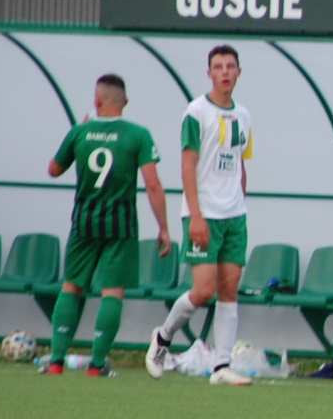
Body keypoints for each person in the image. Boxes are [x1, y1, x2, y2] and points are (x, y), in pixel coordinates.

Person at [45, 74, 171, 377]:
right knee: (112, 292)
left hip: (83, 222)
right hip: (120, 225)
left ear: (96, 101)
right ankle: (97, 364)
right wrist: (163, 228)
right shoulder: (138, 135)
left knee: (72, 285)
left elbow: (53, 169)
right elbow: (152, 184)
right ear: (124, 102)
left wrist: (80, 133)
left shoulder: (80, 132)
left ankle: (56, 361)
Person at [145, 45, 254, 386]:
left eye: (230, 66)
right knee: (203, 290)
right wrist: (195, 216)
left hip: (234, 214)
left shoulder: (245, 115)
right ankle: (162, 338)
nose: (224, 72)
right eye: (218, 67)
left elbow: (240, 163)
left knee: (230, 288)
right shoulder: (196, 112)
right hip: (202, 212)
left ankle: (221, 366)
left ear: (239, 72)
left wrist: (240, 200)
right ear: (209, 73)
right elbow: (188, 165)